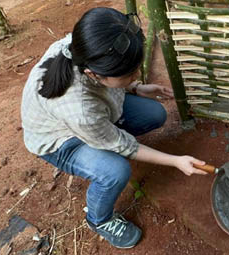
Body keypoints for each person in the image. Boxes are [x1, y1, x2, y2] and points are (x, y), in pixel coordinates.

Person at [20, 7, 208, 249]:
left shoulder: (84, 48)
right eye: (130, 73)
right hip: (59, 141)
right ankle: (98, 219)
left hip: (93, 116)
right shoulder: (80, 109)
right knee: (115, 171)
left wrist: (136, 87)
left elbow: (110, 85)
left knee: (155, 113)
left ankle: (102, 141)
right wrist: (176, 161)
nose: (137, 74)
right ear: (95, 75)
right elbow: (124, 145)